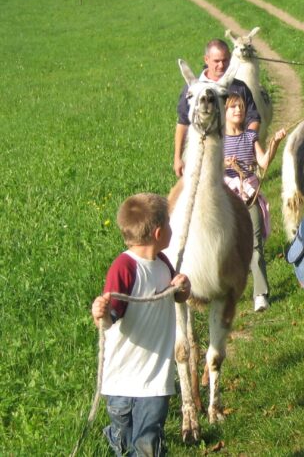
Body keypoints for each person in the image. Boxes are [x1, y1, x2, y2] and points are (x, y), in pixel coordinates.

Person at [91, 193, 191, 456]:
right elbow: (110, 319)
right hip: (121, 380)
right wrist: (100, 312)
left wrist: (183, 287)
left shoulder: (163, 264)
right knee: (123, 443)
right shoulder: (124, 267)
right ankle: (115, 437)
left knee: (147, 444)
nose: (171, 229)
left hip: (155, 381)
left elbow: (178, 297)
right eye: (169, 223)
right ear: (158, 233)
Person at [222, 94, 286, 312]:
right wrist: (224, 165)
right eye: (233, 107)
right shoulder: (219, 140)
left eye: (240, 107)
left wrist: (275, 143)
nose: (238, 110)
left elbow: (263, 162)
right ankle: (227, 291)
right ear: (225, 112)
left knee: (255, 244)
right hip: (229, 198)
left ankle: (260, 294)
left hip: (250, 194)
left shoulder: (250, 137)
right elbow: (210, 167)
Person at [174, 38, 261, 177]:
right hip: (201, 158)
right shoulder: (192, 90)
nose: (221, 65)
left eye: (225, 60)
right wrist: (177, 157)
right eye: (216, 61)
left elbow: (253, 118)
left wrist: (246, 143)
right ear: (206, 59)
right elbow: (183, 122)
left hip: (235, 162)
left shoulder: (240, 88)